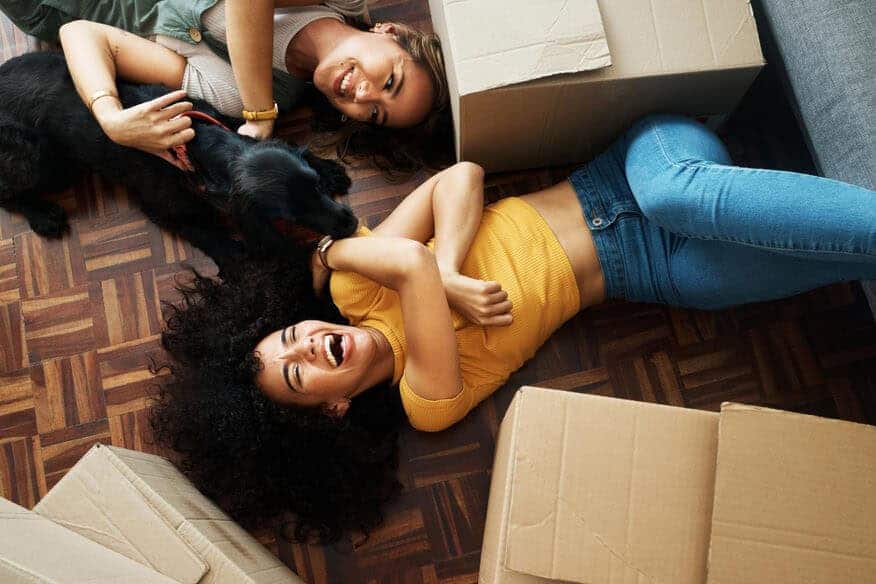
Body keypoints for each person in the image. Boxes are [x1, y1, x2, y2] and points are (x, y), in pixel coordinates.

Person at [152, 114, 876, 540]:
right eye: (300, 373)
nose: (307, 345)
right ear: (333, 409)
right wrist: (414, 269)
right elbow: (409, 259)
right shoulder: (424, 401)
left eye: (289, 339)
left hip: (634, 172)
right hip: (653, 269)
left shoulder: (352, 285)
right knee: (841, 260)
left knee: (675, 194)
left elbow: (461, 177)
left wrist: (450, 272)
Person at [0, 0, 451, 171]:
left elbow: (81, 34)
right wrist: (260, 112)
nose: (365, 96)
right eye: (389, 80)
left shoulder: (241, 95)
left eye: (374, 115)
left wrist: (111, 117)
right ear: (389, 32)